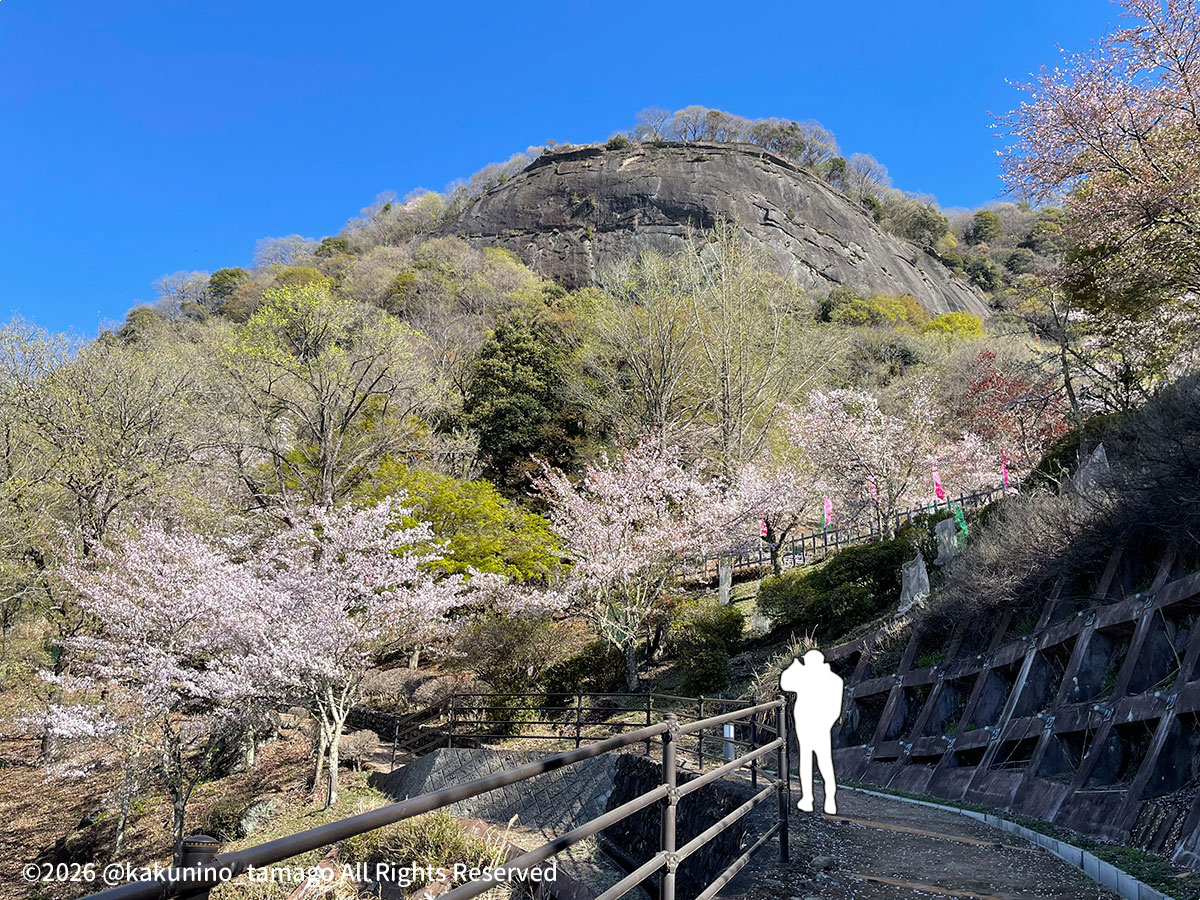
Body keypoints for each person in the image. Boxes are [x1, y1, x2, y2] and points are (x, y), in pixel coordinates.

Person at [779, 649, 843, 814]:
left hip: (811, 726)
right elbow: (836, 709)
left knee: (809, 763)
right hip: (817, 727)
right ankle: (827, 801)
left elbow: (785, 683)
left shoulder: (807, 678)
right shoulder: (834, 680)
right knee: (823, 763)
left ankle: (810, 799)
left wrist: (793, 667)